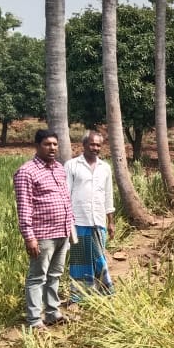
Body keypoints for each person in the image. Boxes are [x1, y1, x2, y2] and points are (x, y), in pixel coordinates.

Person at [13, 128, 75, 330]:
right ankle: (34, 320)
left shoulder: (59, 168)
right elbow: (24, 208)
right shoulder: (26, 172)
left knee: (55, 275)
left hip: (62, 232)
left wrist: (70, 226)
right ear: (37, 146)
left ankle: (52, 312)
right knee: (37, 277)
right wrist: (29, 237)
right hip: (43, 234)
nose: (52, 148)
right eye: (48, 144)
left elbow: (65, 199)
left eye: (55, 144)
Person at [65, 130, 115, 300]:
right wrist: (67, 222)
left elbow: (108, 196)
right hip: (78, 221)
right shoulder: (72, 165)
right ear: (84, 144)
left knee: (99, 258)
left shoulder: (105, 168)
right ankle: (77, 298)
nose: (95, 148)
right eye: (92, 144)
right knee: (79, 262)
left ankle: (104, 293)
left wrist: (111, 222)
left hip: (99, 221)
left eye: (98, 145)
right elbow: (66, 194)